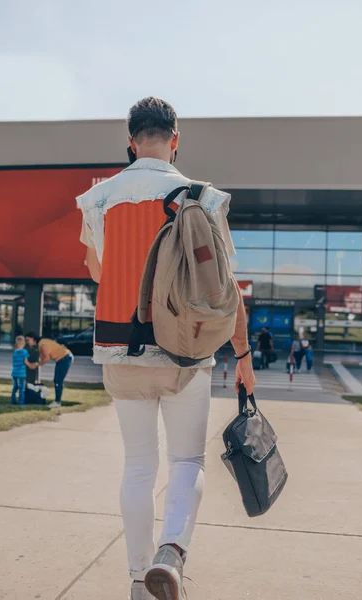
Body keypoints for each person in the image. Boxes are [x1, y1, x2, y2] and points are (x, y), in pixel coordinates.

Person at [77, 97, 257, 600]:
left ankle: (138, 580)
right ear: (175, 141)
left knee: (137, 466)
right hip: (185, 351)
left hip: (119, 348)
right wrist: (242, 357)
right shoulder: (204, 198)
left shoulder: (97, 199)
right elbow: (226, 291)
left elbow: (97, 271)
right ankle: (170, 556)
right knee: (186, 463)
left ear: (131, 143)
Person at [24, 332, 73, 408]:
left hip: (64, 358)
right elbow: (44, 357)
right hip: (64, 358)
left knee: (58, 381)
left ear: (33, 338)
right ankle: (57, 401)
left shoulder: (42, 344)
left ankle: (57, 402)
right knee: (57, 381)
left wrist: (36, 364)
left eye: (27, 340)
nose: (27, 342)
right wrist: (37, 363)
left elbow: (46, 358)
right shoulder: (42, 343)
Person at [11, 335, 29, 405]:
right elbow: (25, 361)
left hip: (14, 372)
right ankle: (21, 402)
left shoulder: (15, 352)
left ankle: (13, 400)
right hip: (21, 373)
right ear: (23, 343)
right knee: (21, 388)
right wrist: (30, 365)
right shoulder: (24, 352)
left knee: (15, 387)